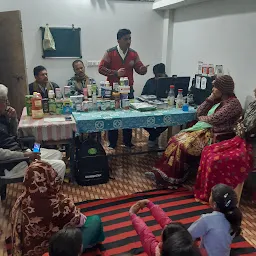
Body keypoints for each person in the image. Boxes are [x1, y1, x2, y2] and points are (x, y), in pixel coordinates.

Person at [145, 75, 242, 187]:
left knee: (183, 145)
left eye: (215, 87)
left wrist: (201, 118)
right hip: (204, 130)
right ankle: (161, 173)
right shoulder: (218, 100)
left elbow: (213, 119)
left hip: (215, 134)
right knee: (174, 140)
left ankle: (175, 177)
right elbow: (199, 112)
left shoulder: (233, 104)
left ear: (223, 90)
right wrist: (210, 98)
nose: (213, 89)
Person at [10, 161, 105, 256]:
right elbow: (80, 221)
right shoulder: (59, 203)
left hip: (29, 251)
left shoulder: (20, 201)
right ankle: (95, 244)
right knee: (95, 221)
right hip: (55, 251)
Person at [194, 89, 256, 203]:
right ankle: (208, 194)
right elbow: (240, 125)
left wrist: (241, 128)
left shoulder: (233, 104)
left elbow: (246, 130)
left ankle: (220, 198)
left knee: (215, 159)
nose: (254, 90)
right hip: (240, 140)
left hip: (251, 147)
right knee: (208, 151)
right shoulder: (253, 105)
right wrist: (241, 127)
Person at [0, 84, 65, 180]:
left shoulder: (3, 116)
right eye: (5, 101)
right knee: (60, 165)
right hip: (12, 164)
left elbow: (15, 136)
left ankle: (42, 185)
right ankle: (44, 192)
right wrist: (26, 155)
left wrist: (13, 119)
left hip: (23, 152)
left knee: (57, 154)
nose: (8, 104)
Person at [99, 28, 148, 149]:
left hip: (128, 89)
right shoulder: (110, 52)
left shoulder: (133, 54)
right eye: (126, 39)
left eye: (130, 38)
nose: (128, 41)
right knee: (113, 115)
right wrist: (115, 73)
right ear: (118, 40)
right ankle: (113, 143)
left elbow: (139, 68)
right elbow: (101, 68)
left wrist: (143, 70)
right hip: (113, 90)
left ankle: (127, 142)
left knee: (129, 116)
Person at [129, 199, 202, 256]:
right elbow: (168, 225)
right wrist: (149, 204)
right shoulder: (191, 249)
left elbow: (145, 236)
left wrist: (133, 215)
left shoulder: (157, 252)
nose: (159, 244)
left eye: (162, 242)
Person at [188, 184, 243, 256]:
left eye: (210, 195)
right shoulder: (233, 218)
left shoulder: (207, 219)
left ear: (214, 204)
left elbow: (189, 235)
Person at [142, 63, 168, 148]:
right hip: (149, 106)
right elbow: (142, 95)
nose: (158, 77)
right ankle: (154, 135)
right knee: (141, 120)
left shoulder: (169, 81)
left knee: (169, 120)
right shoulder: (150, 81)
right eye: (156, 75)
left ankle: (153, 136)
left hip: (165, 107)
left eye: (160, 75)